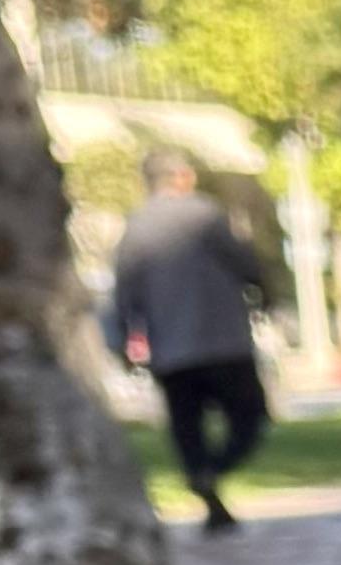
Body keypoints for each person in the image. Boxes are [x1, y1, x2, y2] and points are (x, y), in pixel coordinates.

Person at [104, 149, 276, 526]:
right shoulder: (206, 215)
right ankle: (213, 472)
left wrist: (122, 342)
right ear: (183, 176)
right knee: (250, 416)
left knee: (187, 428)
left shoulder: (135, 228)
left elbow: (123, 293)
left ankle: (206, 485)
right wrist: (264, 293)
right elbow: (246, 263)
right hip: (224, 343)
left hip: (171, 350)